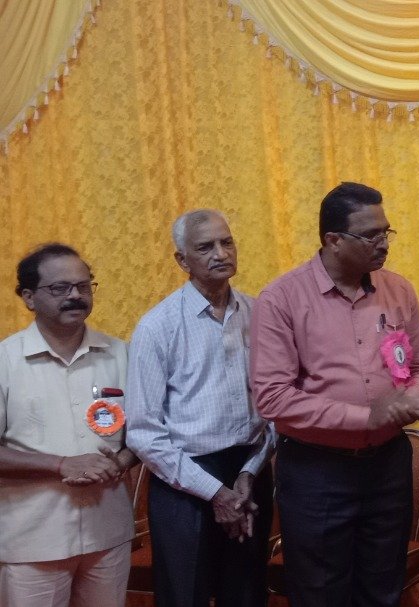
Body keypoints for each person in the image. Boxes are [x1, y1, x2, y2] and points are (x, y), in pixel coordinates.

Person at [251, 182, 419, 607]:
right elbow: (272, 397)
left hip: (388, 464)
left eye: (386, 232)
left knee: (383, 588)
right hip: (318, 471)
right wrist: (365, 416)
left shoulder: (398, 290)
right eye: (370, 235)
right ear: (333, 240)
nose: (383, 244)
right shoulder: (281, 299)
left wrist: (416, 396)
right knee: (320, 592)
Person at [125, 210, 275, 607]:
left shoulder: (260, 314)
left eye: (227, 242)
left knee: (247, 594)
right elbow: (143, 433)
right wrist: (216, 493)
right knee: (185, 595)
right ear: (182, 260)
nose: (221, 253)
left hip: (249, 473)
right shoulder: (157, 326)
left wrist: (249, 472)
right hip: (184, 481)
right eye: (205, 247)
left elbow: (275, 404)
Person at [0, 243, 137, 607]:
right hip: (32, 542)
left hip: (108, 533)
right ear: (28, 297)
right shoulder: (5, 362)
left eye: (83, 285)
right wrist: (61, 464)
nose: (75, 295)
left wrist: (123, 461)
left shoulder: (121, 354)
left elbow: (145, 432)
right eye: (60, 288)